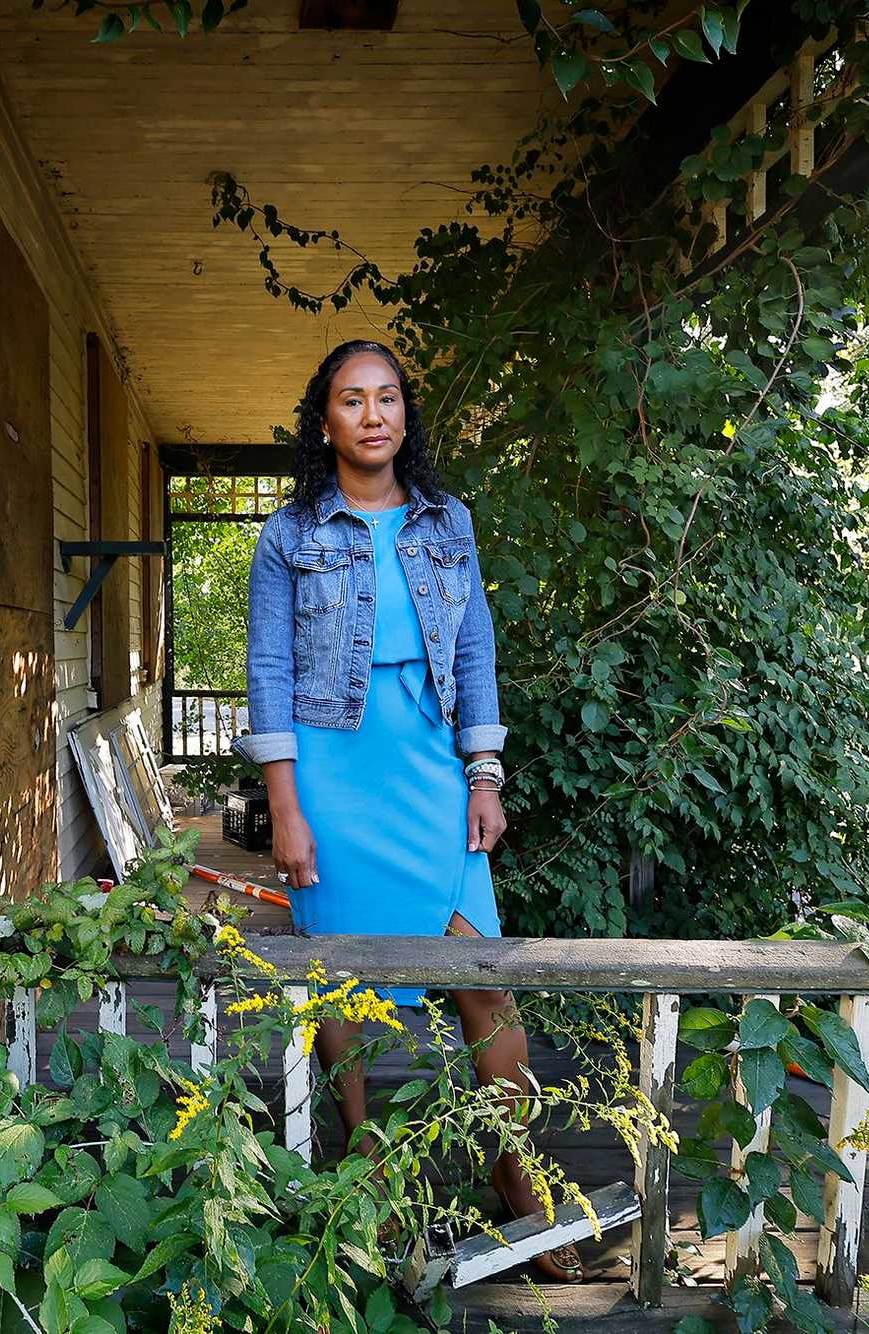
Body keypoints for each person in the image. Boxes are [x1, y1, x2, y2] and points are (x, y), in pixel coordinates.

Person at [231, 338, 579, 1282]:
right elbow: (267, 675)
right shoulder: (290, 535)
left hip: (427, 768)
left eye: (388, 398)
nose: (373, 415)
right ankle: (366, 1160)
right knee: (342, 977)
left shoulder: (447, 523)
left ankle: (518, 1176)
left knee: (481, 974)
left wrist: (485, 775)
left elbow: (474, 659)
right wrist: (285, 810)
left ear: (404, 417)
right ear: (326, 420)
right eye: (353, 400)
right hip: (333, 777)